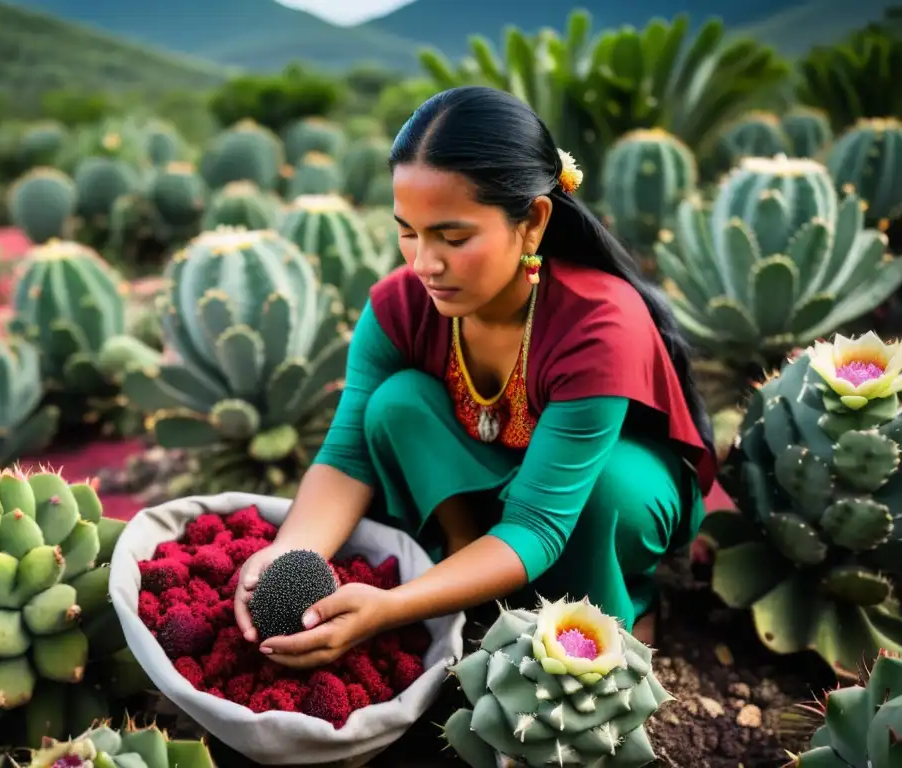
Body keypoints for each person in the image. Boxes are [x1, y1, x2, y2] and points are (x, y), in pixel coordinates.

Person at [233, 86, 717, 669]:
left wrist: (390, 608)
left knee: (610, 489)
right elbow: (348, 456)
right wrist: (287, 555)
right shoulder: (399, 305)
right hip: (495, 491)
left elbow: (538, 523)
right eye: (408, 230)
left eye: (453, 238)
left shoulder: (598, 322)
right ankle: (467, 572)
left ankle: (614, 615)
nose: (423, 264)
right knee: (395, 403)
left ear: (533, 222)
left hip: (589, 502)